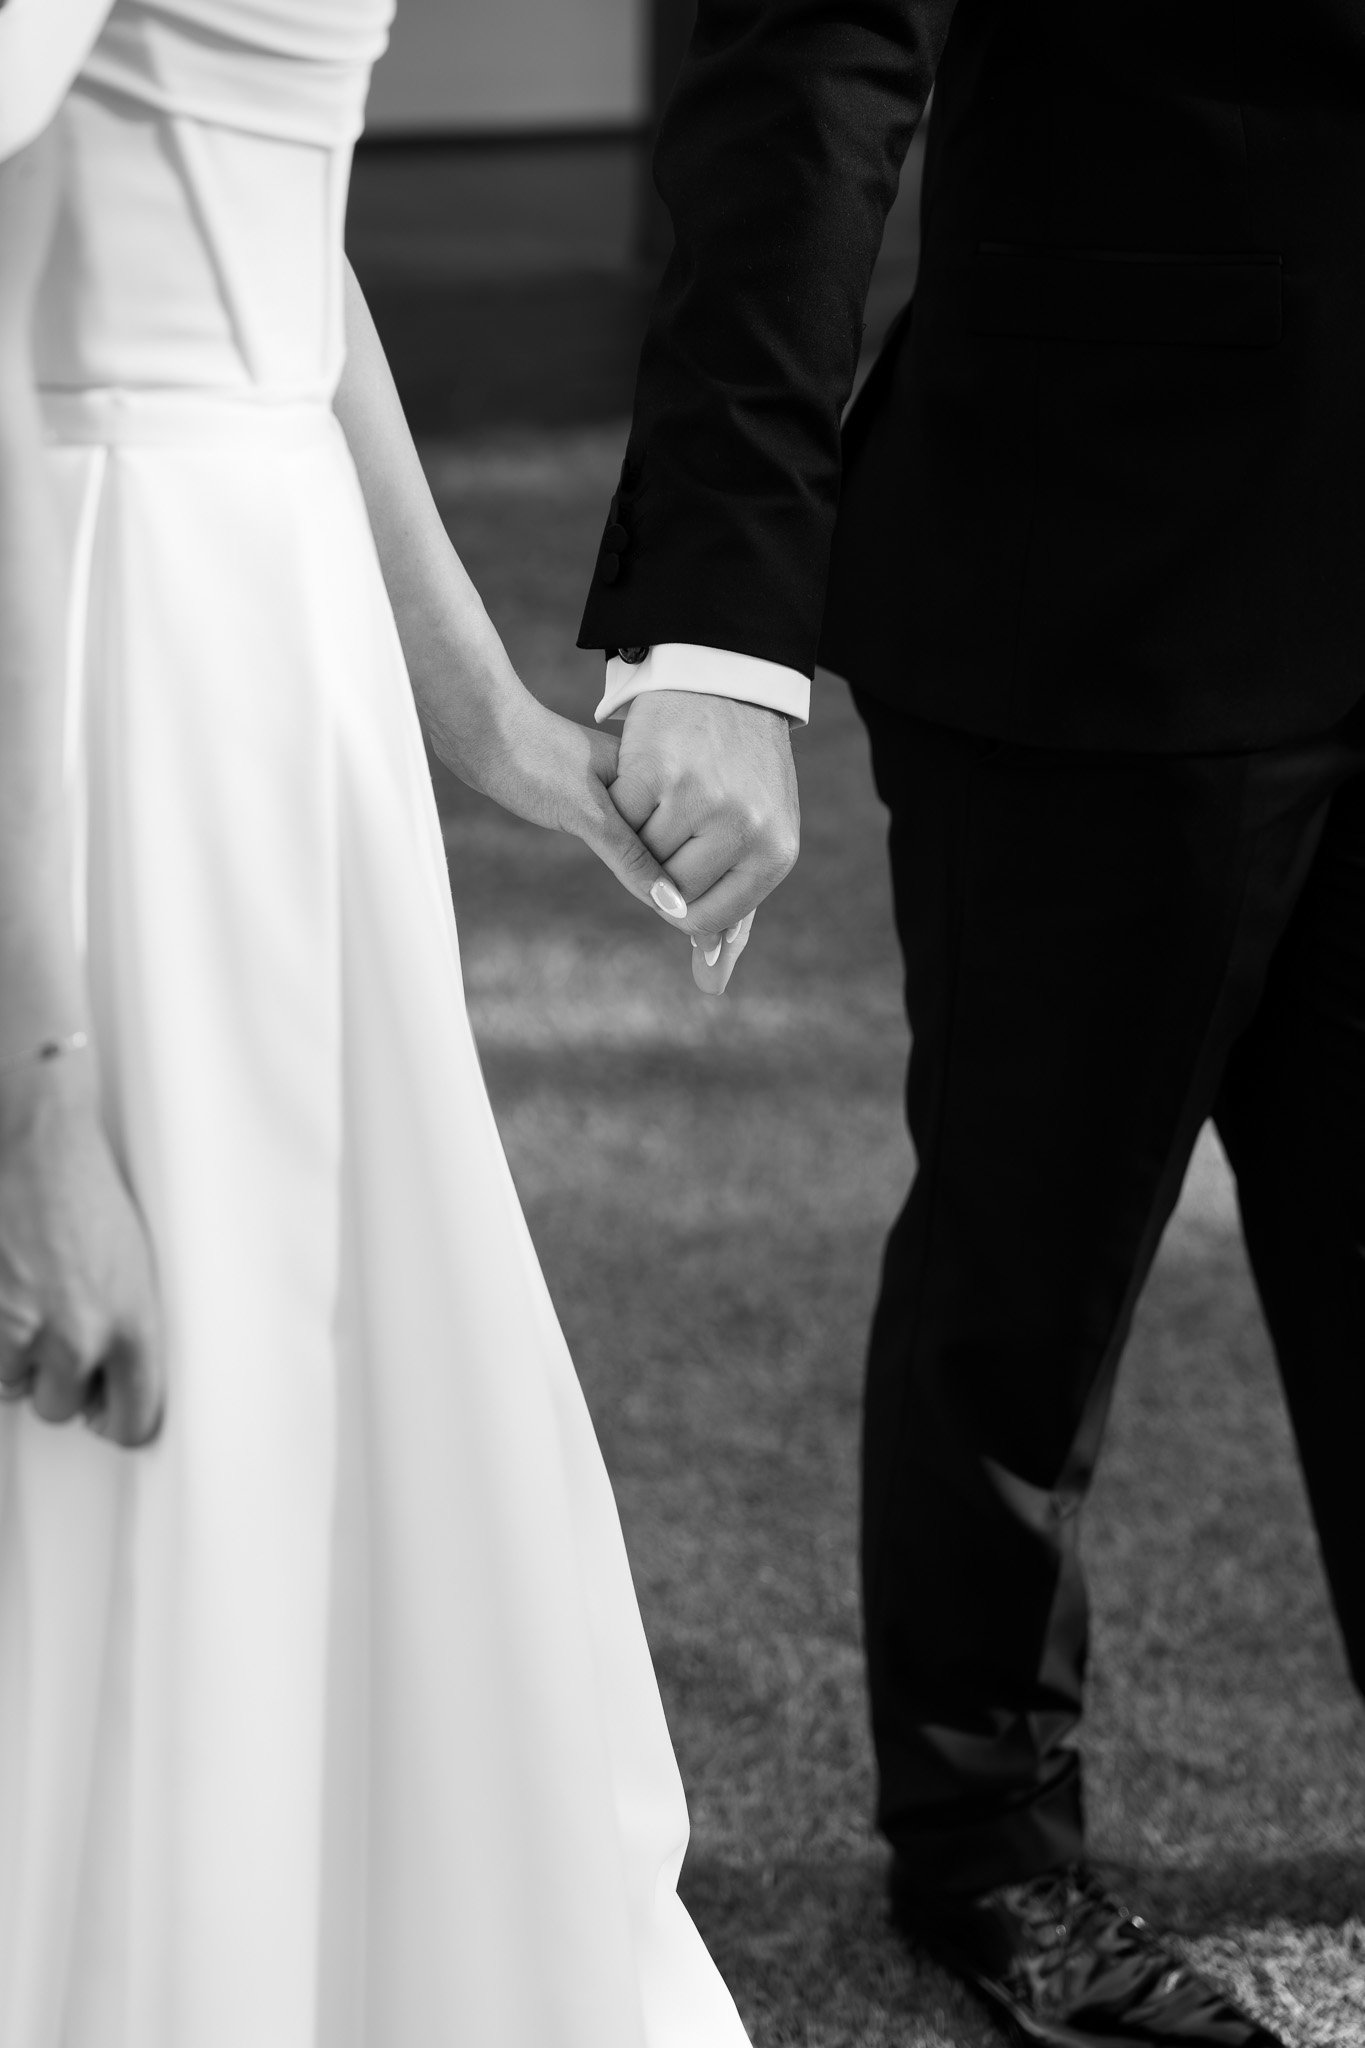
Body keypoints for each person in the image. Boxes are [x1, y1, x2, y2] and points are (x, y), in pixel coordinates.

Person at [579, 4, 1365, 2044]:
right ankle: (984, 1839)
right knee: (1031, 1253)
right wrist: (724, 610)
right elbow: (813, 42)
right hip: (1096, 534)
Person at [0, 5, 754, 2044]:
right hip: (105, 638)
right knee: (149, 1424)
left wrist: (481, 716)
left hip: (266, 624)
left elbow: (282, 235)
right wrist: (42, 1093)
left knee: (316, 1374)